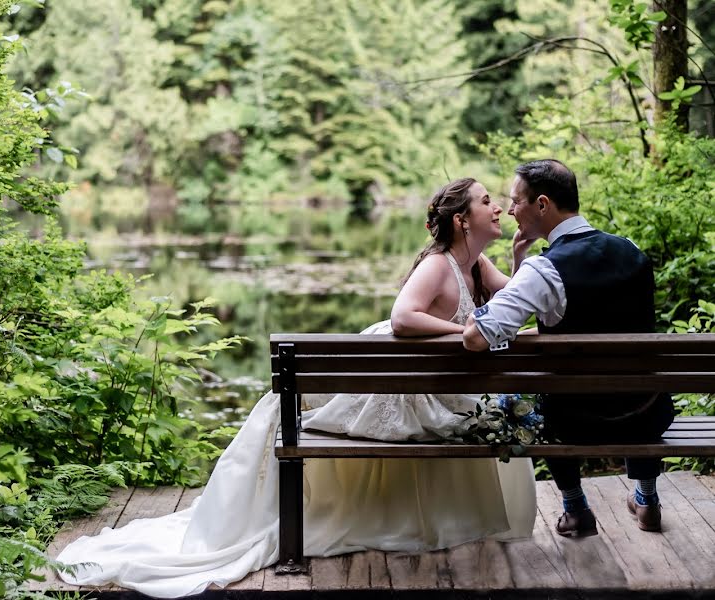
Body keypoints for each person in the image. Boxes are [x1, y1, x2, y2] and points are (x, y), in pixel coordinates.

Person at [55, 178, 537, 598]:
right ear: (460, 220)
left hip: (418, 380)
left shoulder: (478, 267)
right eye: (486, 200)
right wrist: (470, 332)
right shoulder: (437, 266)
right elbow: (402, 318)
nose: (497, 208)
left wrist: (517, 259)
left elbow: (516, 308)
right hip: (391, 381)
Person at [463, 159, 674, 537]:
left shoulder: (544, 269)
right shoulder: (630, 249)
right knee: (631, 382)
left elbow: (476, 337)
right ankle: (646, 498)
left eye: (516, 201)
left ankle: (575, 508)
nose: (510, 210)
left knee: (527, 404)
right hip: (646, 411)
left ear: (542, 204)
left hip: (575, 419)